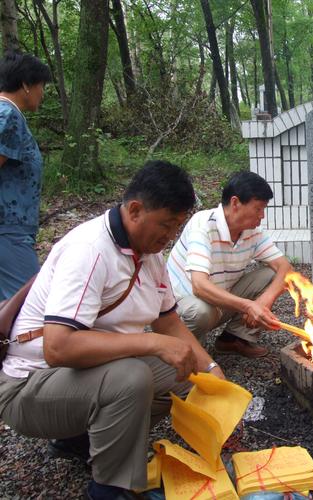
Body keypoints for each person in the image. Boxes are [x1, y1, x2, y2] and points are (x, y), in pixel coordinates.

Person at [0, 161, 224, 499]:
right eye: (165, 224)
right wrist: (150, 342)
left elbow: (169, 322)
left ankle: (81, 438)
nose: (170, 236)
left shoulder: (150, 255)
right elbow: (57, 348)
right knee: (130, 378)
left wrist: (210, 369)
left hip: (75, 378)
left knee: (185, 370)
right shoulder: (90, 250)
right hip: (29, 385)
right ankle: (109, 488)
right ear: (135, 210)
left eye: (177, 226)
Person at [167, 171, 292, 359]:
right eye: (258, 209)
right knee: (201, 312)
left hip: (218, 302)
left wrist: (264, 300)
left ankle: (234, 339)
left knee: (273, 276)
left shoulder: (253, 231)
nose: (262, 216)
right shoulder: (203, 224)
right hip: (179, 307)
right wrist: (249, 306)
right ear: (235, 203)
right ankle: (180, 351)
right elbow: (199, 286)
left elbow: (285, 268)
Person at [0, 51, 51, 300]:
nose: (42, 93)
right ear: (25, 85)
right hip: (7, 230)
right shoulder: (7, 115)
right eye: (41, 86)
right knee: (28, 305)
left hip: (12, 230)